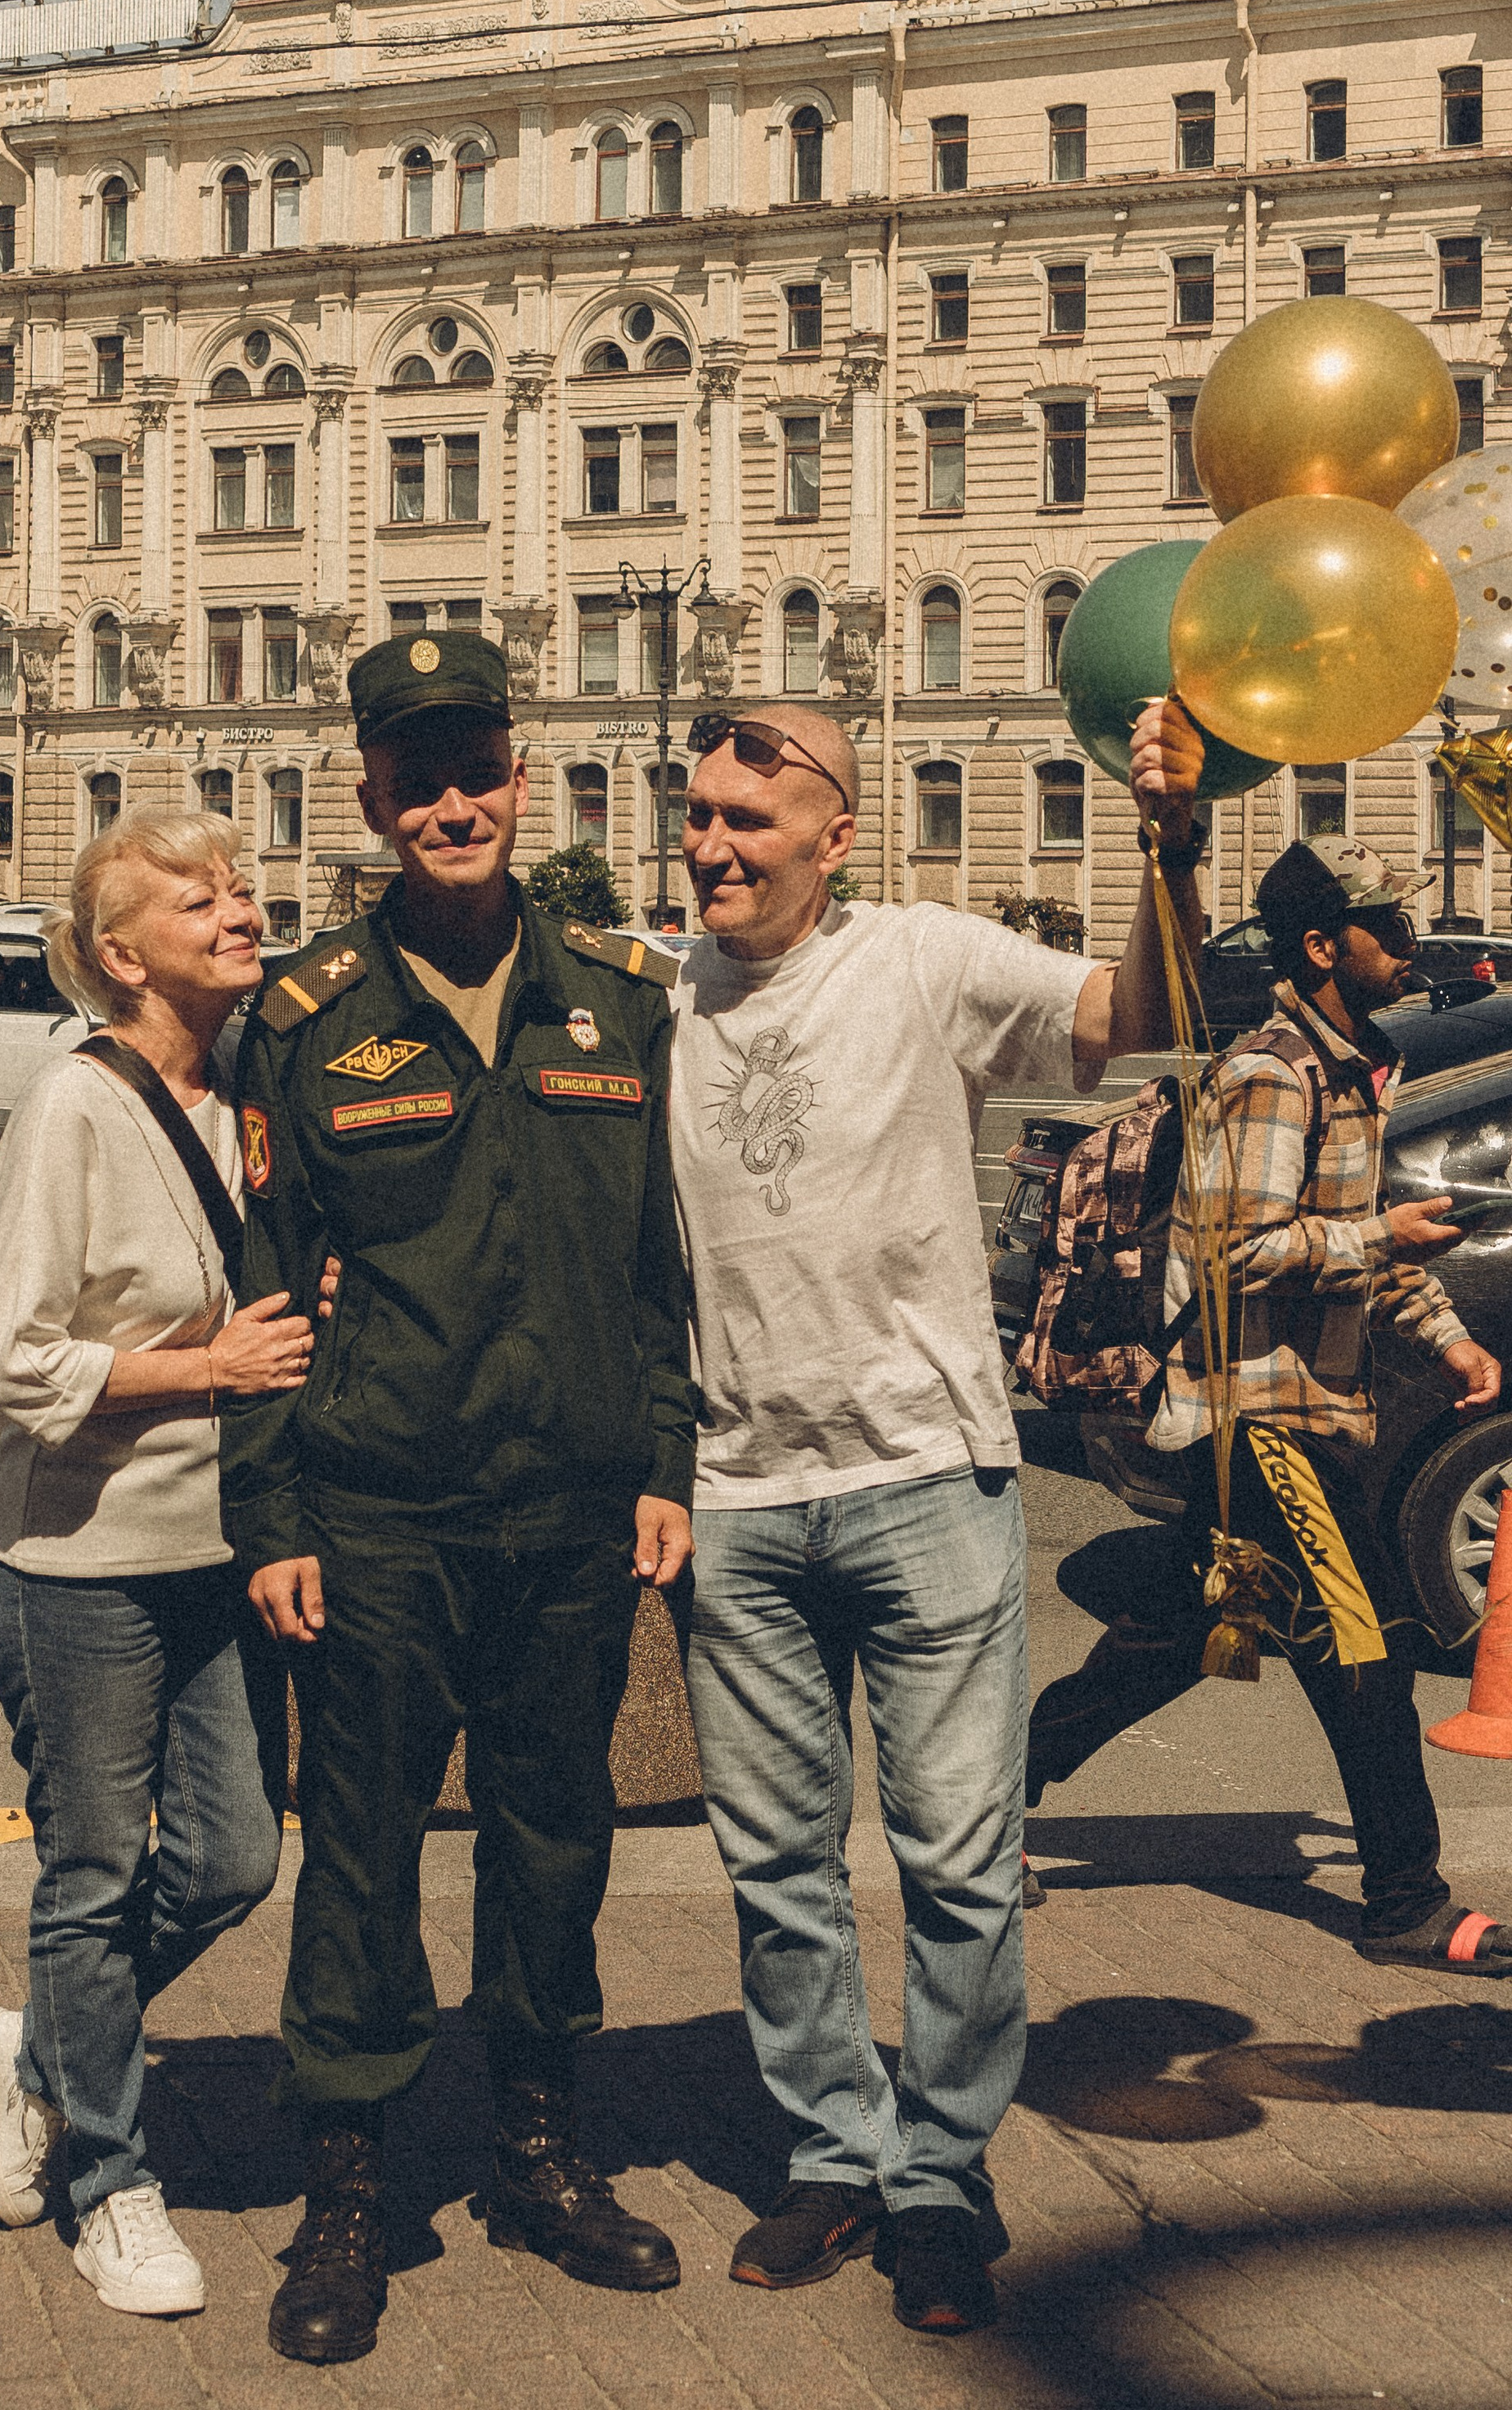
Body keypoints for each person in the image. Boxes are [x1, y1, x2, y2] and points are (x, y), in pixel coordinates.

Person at [670, 695, 1203, 2337]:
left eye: (748, 821)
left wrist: (1169, 844)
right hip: (737, 1499)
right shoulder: (648, 992)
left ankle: (938, 2175)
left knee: (959, 1859)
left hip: (922, 1483)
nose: (710, 847)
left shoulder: (922, 958)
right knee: (775, 1869)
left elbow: (1133, 1017)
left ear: (836, 832)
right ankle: (833, 2151)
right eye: (693, 817)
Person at [223, 626, 697, 2367]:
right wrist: (267, 1518)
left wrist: (667, 1459)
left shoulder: (616, 998)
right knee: (356, 1852)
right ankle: (346, 2188)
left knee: (552, 1834)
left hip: (570, 1505)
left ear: (523, 774)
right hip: (378, 1510)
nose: (450, 802)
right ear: (368, 793)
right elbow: (268, 1290)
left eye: (475, 767)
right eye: (414, 774)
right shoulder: (308, 1019)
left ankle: (535, 2151)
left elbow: (659, 1270)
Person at [1027, 834, 1510, 1975]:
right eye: (1383, 926)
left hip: (1307, 1411)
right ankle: (1405, 1899)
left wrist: (1450, 1343)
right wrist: (1378, 1235)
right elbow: (1238, 1253)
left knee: (1182, 1638)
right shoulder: (1270, 1074)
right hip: (1254, 1418)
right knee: (1366, 1645)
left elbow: (1367, 1244)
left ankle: (982, 1809)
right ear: (1319, 944)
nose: (1405, 943)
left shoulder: (1352, 1067)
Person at [0, 812, 313, 2318]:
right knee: (95, 1876)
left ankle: (33, 2050)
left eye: (239, 886)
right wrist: (205, 1368)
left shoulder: (241, 1094)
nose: (239, 908)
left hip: (219, 1556)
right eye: (200, 897)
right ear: (121, 955)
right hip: (78, 1566)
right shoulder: (74, 1108)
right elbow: (13, 1359)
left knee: (233, 1856)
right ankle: (107, 2180)